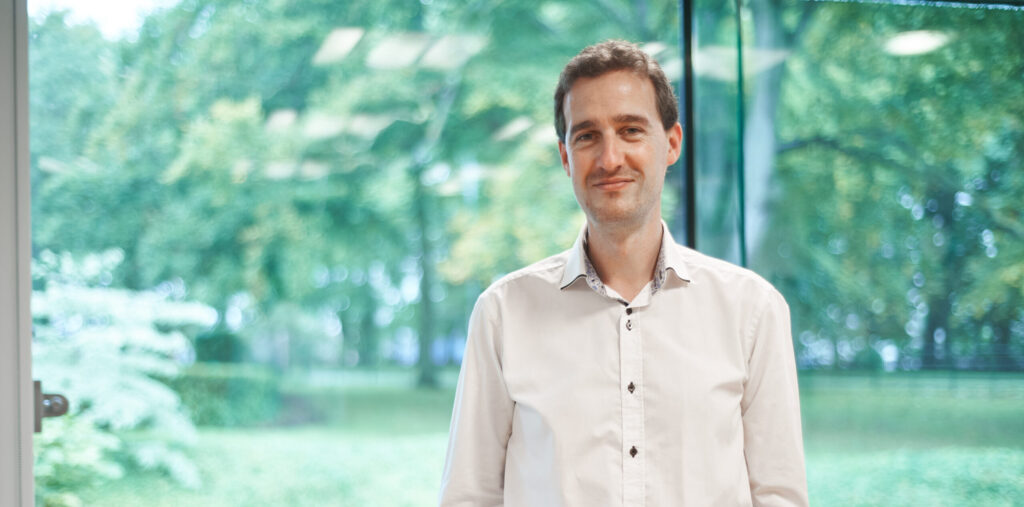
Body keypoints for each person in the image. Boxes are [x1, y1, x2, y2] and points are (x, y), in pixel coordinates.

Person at [439, 39, 807, 507]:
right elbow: (469, 496)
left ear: (671, 143)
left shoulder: (752, 310)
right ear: (566, 157)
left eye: (630, 130)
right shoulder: (503, 314)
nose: (610, 159)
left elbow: (778, 496)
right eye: (587, 136)